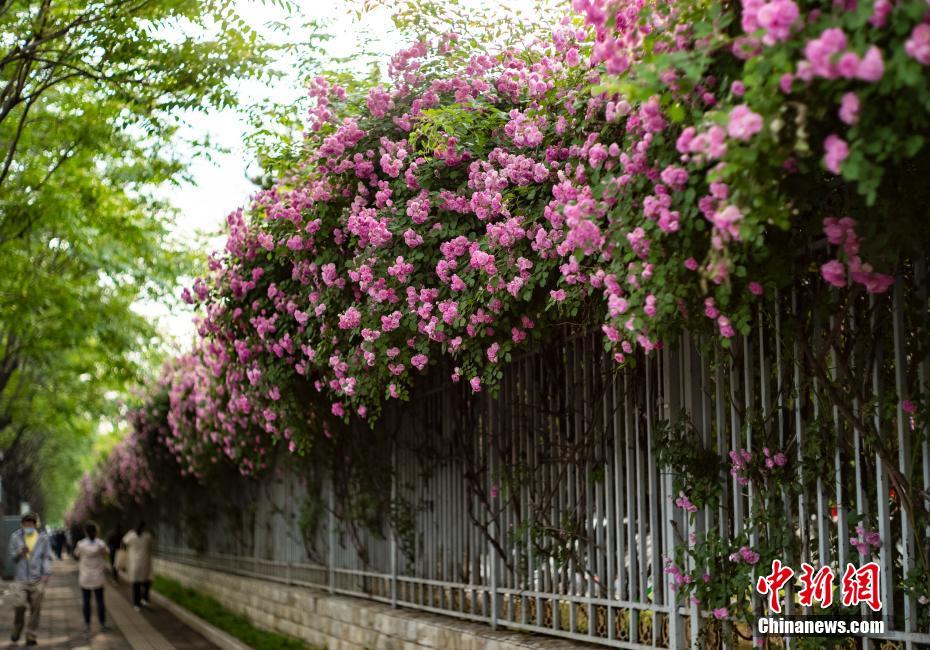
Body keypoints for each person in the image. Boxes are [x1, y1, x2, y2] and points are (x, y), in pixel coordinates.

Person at [7, 513, 52, 645]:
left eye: (31, 524)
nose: (29, 526)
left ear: (35, 524)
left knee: (35, 608)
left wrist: (46, 573)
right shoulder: (15, 537)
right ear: (22, 524)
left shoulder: (43, 539)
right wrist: (19, 551)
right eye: (26, 524)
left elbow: (46, 557)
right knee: (19, 605)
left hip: (37, 579)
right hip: (20, 579)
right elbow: (12, 557)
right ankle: (17, 627)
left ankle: (31, 635)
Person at [73, 522, 108, 634]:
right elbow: (106, 553)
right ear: (96, 532)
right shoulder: (101, 544)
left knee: (86, 602)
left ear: (85, 532)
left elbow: (76, 554)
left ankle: (87, 625)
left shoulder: (81, 544)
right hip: (98, 576)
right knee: (100, 601)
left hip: (85, 577)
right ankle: (102, 624)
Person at [122, 521, 153, 610]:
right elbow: (151, 544)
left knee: (136, 583)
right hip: (144, 562)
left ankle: (137, 603)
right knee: (146, 582)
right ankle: (144, 600)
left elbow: (124, 542)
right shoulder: (147, 536)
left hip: (135, 562)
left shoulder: (130, 535)